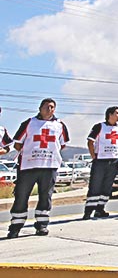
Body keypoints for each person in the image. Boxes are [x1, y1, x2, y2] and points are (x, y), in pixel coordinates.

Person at [7, 98, 69, 238]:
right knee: (21, 196)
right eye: (47, 106)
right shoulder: (29, 123)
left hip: (49, 167)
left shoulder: (60, 125)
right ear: (40, 108)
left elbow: (62, 145)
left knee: (45, 196)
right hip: (28, 167)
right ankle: (15, 226)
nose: (50, 109)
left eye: (52, 107)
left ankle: (42, 225)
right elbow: (17, 144)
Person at [83, 106, 118, 219]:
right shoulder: (99, 127)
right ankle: (88, 211)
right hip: (100, 160)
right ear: (110, 114)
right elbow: (90, 141)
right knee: (95, 185)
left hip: (114, 160)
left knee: (107, 186)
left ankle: (100, 209)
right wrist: (94, 156)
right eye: (116, 113)